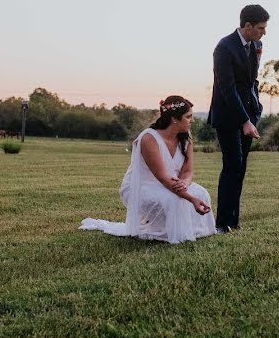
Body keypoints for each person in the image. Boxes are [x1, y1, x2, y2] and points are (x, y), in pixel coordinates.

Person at [80, 95, 216, 244]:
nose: (193, 120)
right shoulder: (149, 138)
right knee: (173, 199)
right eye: (188, 117)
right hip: (143, 186)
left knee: (201, 193)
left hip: (174, 183)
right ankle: (169, 232)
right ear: (174, 119)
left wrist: (184, 183)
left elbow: (188, 171)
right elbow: (163, 177)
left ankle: (194, 230)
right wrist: (190, 198)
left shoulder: (186, 138)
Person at [208, 4, 269, 233]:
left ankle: (234, 221)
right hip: (227, 115)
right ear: (247, 26)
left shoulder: (257, 45)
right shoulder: (224, 48)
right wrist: (244, 121)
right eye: (261, 28)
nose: (264, 32)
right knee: (232, 166)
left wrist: (256, 110)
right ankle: (222, 224)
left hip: (249, 113)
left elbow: (251, 81)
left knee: (241, 167)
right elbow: (227, 88)